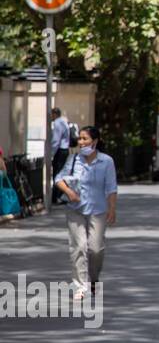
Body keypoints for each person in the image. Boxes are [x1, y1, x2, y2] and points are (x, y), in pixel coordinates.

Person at [54, 126, 117, 302]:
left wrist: (112, 209)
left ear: (94, 141)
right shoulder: (74, 159)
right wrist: (69, 192)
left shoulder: (107, 161)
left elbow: (111, 188)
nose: (81, 142)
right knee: (78, 247)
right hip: (75, 210)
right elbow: (58, 179)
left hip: (98, 210)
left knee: (96, 249)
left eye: (85, 139)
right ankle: (80, 286)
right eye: (79, 139)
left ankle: (94, 278)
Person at [49, 108, 71, 203]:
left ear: (55, 114)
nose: (50, 117)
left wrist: (51, 154)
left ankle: (56, 196)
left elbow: (55, 140)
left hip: (60, 151)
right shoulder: (64, 122)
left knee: (57, 174)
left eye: (51, 115)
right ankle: (60, 195)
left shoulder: (58, 123)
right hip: (64, 150)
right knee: (61, 173)